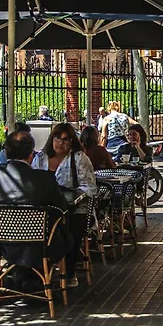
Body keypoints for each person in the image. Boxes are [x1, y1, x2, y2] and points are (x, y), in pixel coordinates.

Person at [0, 131, 73, 291]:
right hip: (41, 245)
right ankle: (31, 278)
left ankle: (19, 276)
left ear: (6, 152)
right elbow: (62, 208)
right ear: (31, 154)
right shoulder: (44, 179)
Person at [32, 123, 97, 287]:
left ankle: (69, 272)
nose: (60, 142)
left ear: (72, 142)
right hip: (45, 209)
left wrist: (74, 196)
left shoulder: (79, 159)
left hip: (75, 210)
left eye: (65, 139)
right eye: (57, 138)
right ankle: (36, 272)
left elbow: (90, 188)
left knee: (70, 230)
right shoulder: (40, 158)